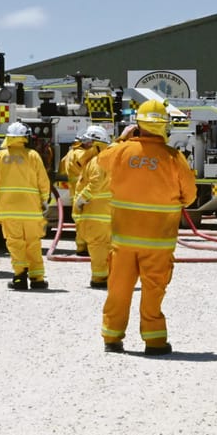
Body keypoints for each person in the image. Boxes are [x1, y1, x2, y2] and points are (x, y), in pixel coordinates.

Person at [97, 99, 197, 355]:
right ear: (164, 126)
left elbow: (98, 164)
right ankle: (154, 342)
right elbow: (191, 196)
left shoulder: (119, 153)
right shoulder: (174, 158)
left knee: (118, 289)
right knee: (153, 291)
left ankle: (112, 337)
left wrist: (121, 140)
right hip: (158, 243)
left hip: (123, 242)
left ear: (137, 124)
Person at [0, 121, 52, 290]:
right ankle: (37, 279)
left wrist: (3, 191)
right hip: (31, 211)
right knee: (33, 244)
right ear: (25, 138)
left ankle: (19, 278)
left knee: (16, 244)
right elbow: (43, 181)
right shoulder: (33, 155)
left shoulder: (2, 156)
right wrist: (45, 200)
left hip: (9, 210)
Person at [72, 125, 113, 289]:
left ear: (97, 143)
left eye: (89, 143)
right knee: (108, 247)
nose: (85, 146)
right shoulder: (109, 159)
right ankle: (110, 276)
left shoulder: (98, 161)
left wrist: (82, 199)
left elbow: (95, 183)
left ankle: (99, 279)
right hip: (109, 212)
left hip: (96, 212)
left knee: (97, 247)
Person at [59, 137, 91, 254]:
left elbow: (61, 170)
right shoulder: (80, 154)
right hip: (84, 191)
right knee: (85, 221)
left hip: (75, 191)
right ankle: (84, 247)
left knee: (79, 221)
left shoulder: (69, 154)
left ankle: (81, 246)